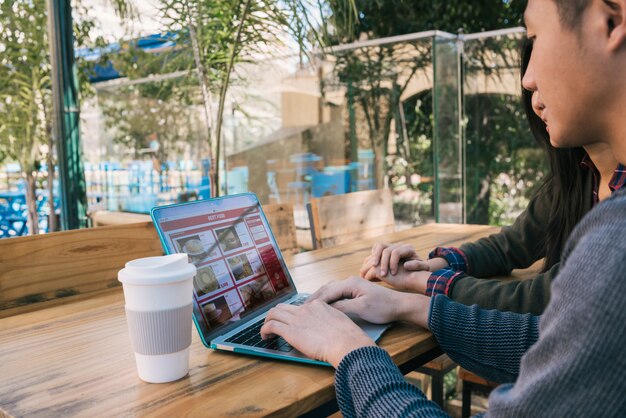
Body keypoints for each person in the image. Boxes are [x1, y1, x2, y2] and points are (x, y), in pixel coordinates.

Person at [261, 0, 626, 416]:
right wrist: (408, 305)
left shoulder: (615, 244)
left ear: (611, 18)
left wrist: (350, 352)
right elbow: (552, 340)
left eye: (535, 39)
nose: (527, 80)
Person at [358, 41, 625, 315]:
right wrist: (430, 266)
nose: (534, 100)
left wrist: (421, 285)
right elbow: (510, 245)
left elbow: (546, 295)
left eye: (544, 80)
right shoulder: (576, 178)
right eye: (531, 90)